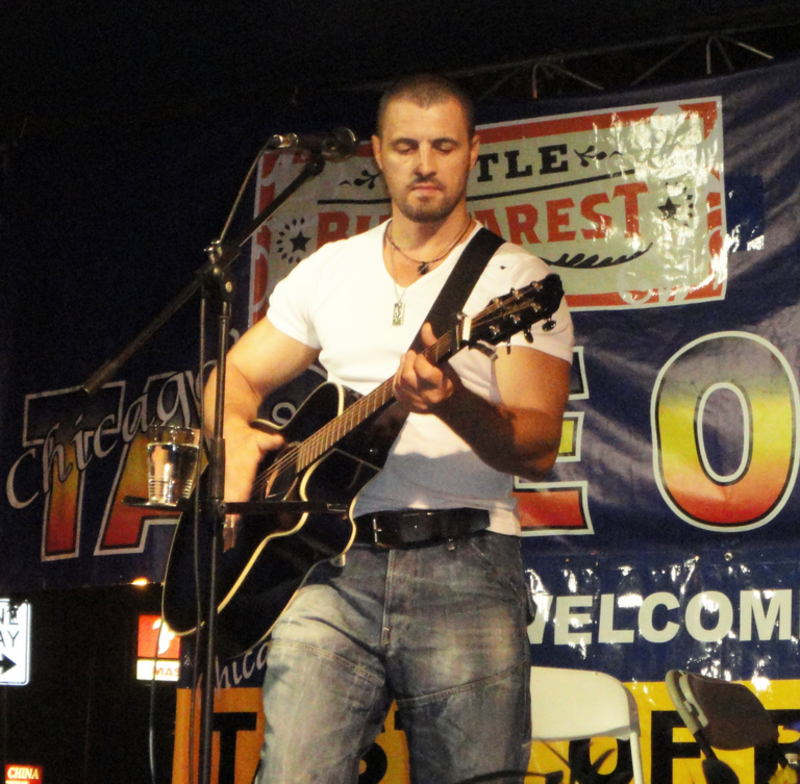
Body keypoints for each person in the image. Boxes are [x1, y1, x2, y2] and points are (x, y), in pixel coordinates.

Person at [206, 73, 573, 784]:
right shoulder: (329, 270)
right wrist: (234, 432)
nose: (424, 164)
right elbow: (236, 374)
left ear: (474, 152)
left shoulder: (514, 281)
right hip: (328, 570)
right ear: (377, 152)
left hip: (465, 565)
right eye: (406, 146)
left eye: (442, 146)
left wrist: (452, 401)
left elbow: (535, 447)